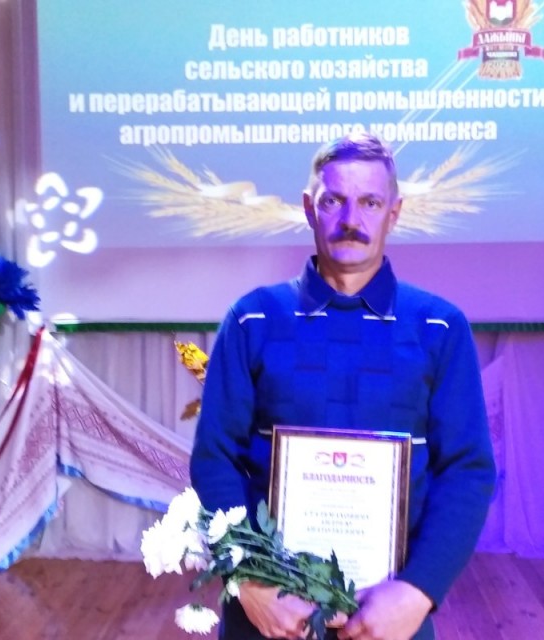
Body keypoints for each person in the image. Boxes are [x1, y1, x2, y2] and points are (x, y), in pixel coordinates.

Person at [190, 132, 496, 640]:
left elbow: (467, 471)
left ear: (394, 213)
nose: (352, 219)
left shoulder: (439, 327)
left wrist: (418, 591)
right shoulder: (252, 319)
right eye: (334, 200)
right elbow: (214, 459)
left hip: (392, 618)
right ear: (309, 208)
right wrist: (248, 579)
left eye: (370, 202)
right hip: (268, 618)